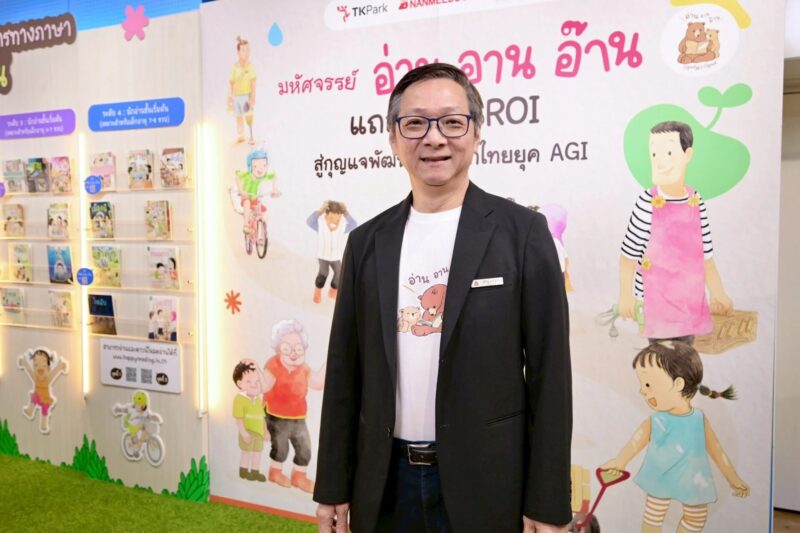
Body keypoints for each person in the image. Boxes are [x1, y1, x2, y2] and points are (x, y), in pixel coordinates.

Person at [314, 63, 572, 533]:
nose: (434, 138)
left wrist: (548, 502)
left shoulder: (523, 234)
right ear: (393, 139)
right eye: (415, 123)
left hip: (489, 483)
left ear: (476, 134)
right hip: (384, 484)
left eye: (452, 122)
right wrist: (333, 484)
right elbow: (344, 373)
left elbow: (550, 377)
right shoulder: (367, 242)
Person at [601, 341, 749, 532]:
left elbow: (716, 450)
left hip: (692, 477)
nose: (642, 390)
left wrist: (733, 479)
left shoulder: (699, 419)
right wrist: (620, 461)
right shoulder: (656, 420)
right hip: (660, 475)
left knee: (696, 518)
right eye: (643, 384)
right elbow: (636, 441)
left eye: (648, 384)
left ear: (678, 384)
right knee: (653, 517)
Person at [617, 121, 732, 344]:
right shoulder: (647, 202)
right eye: (654, 154)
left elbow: (706, 258)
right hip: (655, 304)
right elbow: (628, 257)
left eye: (669, 153)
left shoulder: (695, 200)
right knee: (661, 358)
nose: (660, 162)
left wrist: (718, 293)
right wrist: (625, 296)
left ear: (687, 155)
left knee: (685, 358)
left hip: (690, 304)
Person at [306, 200, 358, 303]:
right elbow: (309, 221)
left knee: (340, 273)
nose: (333, 221)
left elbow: (353, 224)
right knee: (324, 273)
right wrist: (321, 210)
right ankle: (318, 291)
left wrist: (345, 212)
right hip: (323, 256)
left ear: (340, 217)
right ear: (326, 215)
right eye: (331, 218)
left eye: (336, 219)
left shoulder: (342, 228)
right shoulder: (320, 226)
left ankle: (333, 290)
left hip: (335, 256)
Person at [228, 36, 257, 145]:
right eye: (243, 50)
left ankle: (251, 135)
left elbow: (253, 82)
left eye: (248, 50)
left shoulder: (250, 67)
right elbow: (231, 83)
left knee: (249, 115)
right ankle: (240, 135)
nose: (246, 53)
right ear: (238, 52)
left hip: (246, 95)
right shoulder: (234, 67)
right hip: (237, 96)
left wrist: (253, 96)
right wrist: (230, 96)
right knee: (238, 116)